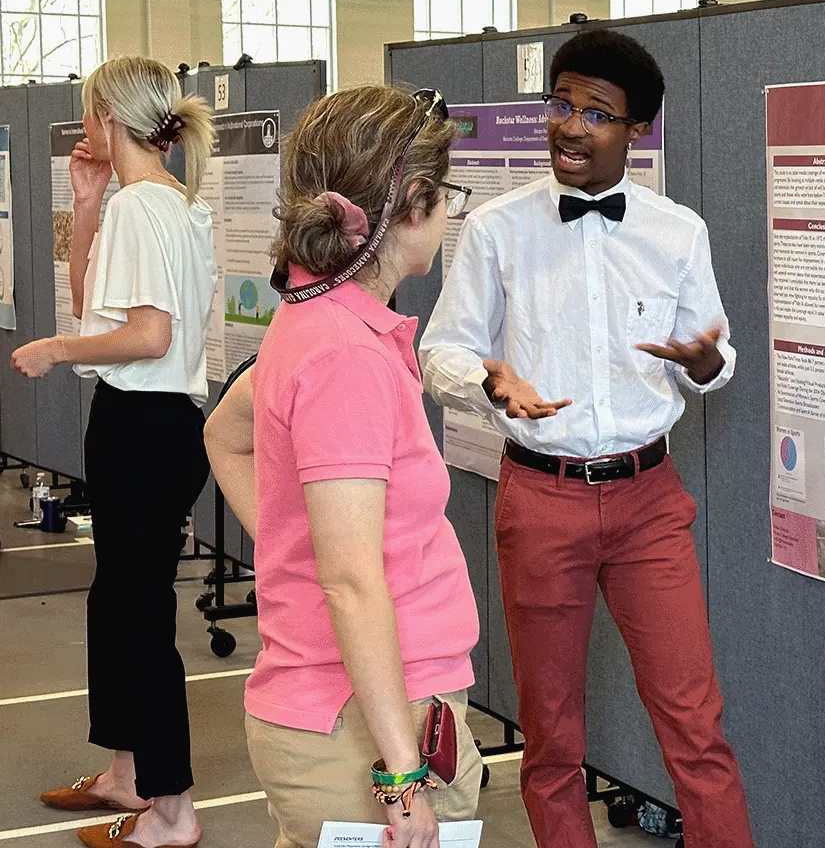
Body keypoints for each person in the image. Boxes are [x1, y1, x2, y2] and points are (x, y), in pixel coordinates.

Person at [419, 29, 754, 847]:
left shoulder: (678, 233)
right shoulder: (498, 229)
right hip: (542, 498)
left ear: (636, 130)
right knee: (553, 736)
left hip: (648, 503)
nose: (570, 126)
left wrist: (707, 364)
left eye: (596, 113)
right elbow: (442, 349)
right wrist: (490, 380)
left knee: (694, 723)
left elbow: (713, 357)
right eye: (561, 105)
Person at [202, 86, 549, 848]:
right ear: (413, 203)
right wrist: (400, 779)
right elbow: (352, 582)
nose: (453, 214)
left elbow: (225, 437)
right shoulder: (345, 356)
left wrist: (291, 550)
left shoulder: (315, 318)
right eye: (447, 195)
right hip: (368, 724)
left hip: (349, 706)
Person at [16, 57, 215, 848]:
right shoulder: (154, 203)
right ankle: (129, 773)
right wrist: (87, 203)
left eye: (87, 112)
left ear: (107, 117)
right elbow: (93, 304)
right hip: (147, 423)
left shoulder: (149, 209)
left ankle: (173, 810)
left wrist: (56, 350)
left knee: (138, 614)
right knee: (119, 604)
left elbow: (147, 337)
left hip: (146, 423)